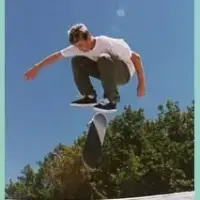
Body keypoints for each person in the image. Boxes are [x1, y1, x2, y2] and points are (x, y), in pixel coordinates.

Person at [24, 23, 146, 113]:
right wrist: (36, 67)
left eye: (81, 45)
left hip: (123, 73)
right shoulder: (78, 48)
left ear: (88, 37)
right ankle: (89, 96)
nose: (80, 49)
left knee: (103, 58)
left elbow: (136, 57)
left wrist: (141, 84)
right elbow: (57, 56)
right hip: (105, 71)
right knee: (77, 60)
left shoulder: (108, 43)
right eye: (77, 46)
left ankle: (111, 100)